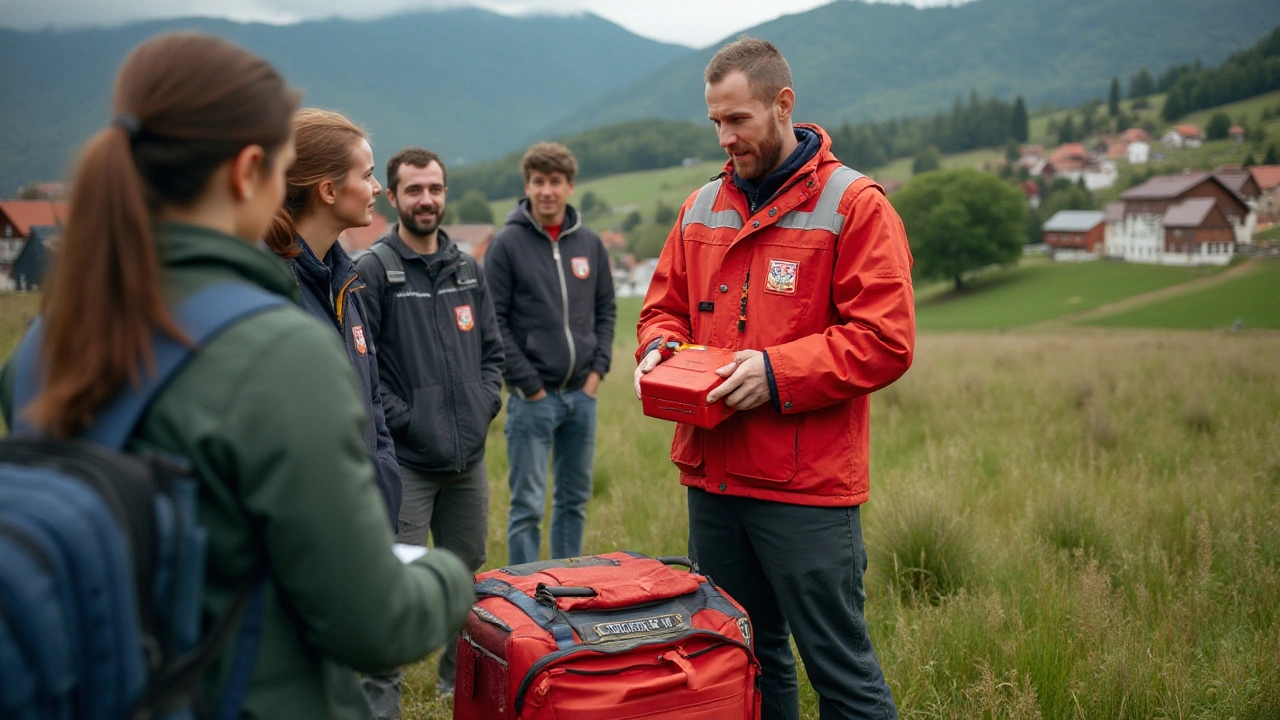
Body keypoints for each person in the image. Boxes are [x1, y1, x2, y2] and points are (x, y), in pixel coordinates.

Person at [0, 32, 474, 719]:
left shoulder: (49, 340)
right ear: (249, 168)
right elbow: (376, 625)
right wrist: (451, 573)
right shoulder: (278, 351)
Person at [634, 38, 914, 720]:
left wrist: (775, 372)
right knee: (744, 665)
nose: (726, 138)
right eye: (716, 123)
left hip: (806, 489)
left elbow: (886, 339)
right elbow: (662, 307)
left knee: (840, 674)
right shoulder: (700, 207)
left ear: (782, 105)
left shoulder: (856, 204)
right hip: (714, 478)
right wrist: (659, 346)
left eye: (740, 121)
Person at [262, 108, 407, 718]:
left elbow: (368, 400)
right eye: (369, 175)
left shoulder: (345, 282)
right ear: (327, 189)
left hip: (365, 525)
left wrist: (383, 483)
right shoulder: (270, 289)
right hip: (306, 551)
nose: (378, 189)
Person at [354, 147, 503, 698]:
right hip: (409, 464)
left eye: (435, 188)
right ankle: (379, 698)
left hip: (468, 460)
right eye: (414, 190)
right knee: (392, 583)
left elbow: (493, 352)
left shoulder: (466, 266)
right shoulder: (373, 271)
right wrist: (409, 423)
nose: (426, 199)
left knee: (466, 574)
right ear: (392, 197)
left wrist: (485, 403)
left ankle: (454, 687)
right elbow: (363, 372)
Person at [485, 142, 617, 567]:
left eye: (555, 182)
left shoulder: (590, 244)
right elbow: (494, 322)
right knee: (527, 505)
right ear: (527, 186)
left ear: (570, 186)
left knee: (573, 501)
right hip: (532, 402)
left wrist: (597, 374)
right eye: (538, 182)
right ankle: (525, 593)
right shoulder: (506, 244)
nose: (547, 190)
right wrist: (530, 387)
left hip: (582, 396)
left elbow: (606, 310)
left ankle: (566, 593)